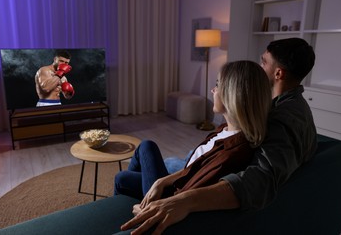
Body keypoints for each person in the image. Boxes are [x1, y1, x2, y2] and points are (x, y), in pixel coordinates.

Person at [119, 37, 317, 234]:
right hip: (198, 164)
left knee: (150, 156)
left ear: (278, 73)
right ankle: (133, 204)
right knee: (136, 170)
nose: (259, 66)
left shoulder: (281, 118)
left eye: (264, 62)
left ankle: (135, 213)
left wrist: (182, 201)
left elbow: (259, 179)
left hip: (197, 174)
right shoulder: (286, 106)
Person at [116, 60, 272, 232]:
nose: (212, 90)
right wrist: (161, 181)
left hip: (172, 199)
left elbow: (186, 197)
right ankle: (129, 214)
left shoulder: (232, 153)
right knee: (125, 173)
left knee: (139, 155)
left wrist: (152, 209)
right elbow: (192, 169)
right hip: (177, 184)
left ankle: (136, 220)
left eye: (217, 85)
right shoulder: (224, 130)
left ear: (232, 94)